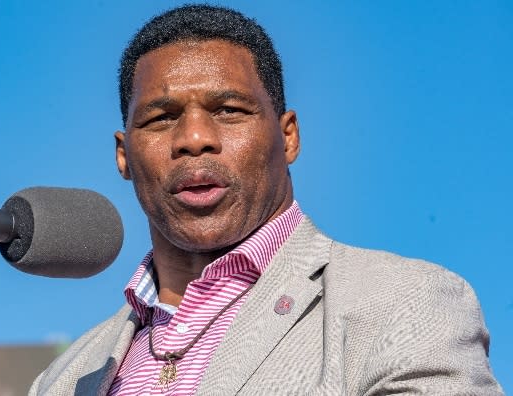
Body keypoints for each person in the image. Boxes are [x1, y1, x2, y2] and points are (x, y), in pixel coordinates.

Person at [30, 5, 502, 395]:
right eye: (161, 118)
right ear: (123, 155)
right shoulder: (63, 377)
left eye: (229, 111)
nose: (194, 138)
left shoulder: (403, 302)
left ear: (288, 136)